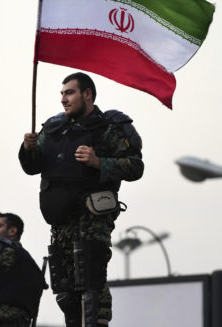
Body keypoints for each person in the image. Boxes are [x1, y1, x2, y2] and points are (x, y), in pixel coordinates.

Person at [18, 72, 144, 327]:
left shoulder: (109, 127)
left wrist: (99, 162)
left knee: (91, 281)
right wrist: (28, 149)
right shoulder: (53, 129)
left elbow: (135, 167)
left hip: (91, 218)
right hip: (60, 221)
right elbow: (32, 167)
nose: (63, 99)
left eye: (70, 92)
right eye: (62, 94)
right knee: (66, 291)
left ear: (87, 94)